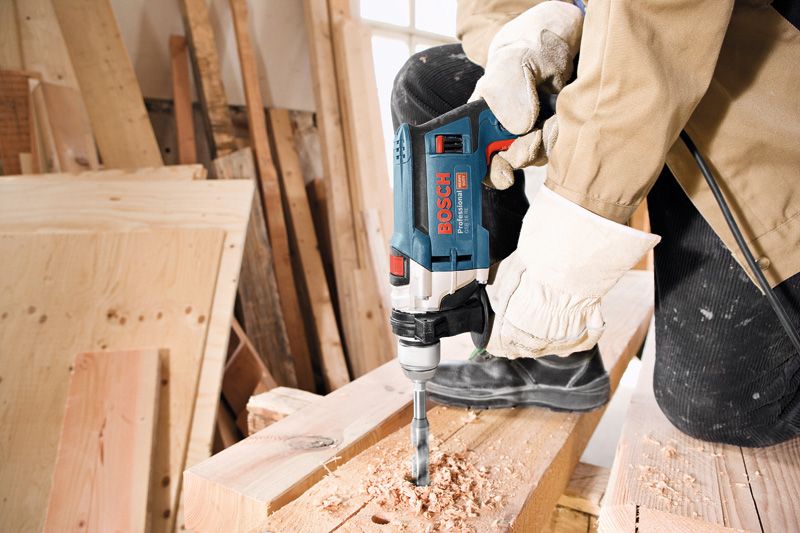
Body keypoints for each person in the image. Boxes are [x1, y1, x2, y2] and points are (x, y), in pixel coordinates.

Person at [390, 0, 800, 447]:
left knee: (723, 409)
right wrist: (536, 35)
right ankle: (545, 358)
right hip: (606, 47)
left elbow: (654, 32)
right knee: (430, 83)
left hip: (734, 73)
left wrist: (565, 257)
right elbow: (491, 6)